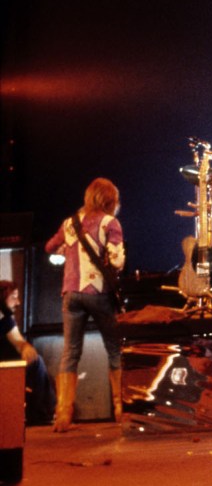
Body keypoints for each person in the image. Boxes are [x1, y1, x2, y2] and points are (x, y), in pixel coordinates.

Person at [45, 178, 125, 432]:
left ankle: (63, 413)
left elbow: (50, 247)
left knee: (70, 352)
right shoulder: (110, 223)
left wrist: (65, 251)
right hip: (98, 293)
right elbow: (116, 261)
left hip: (71, 293)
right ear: (111, 200)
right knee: (114, 348)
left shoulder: (70, 223)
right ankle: (120, 408)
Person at [0, 280, 55, 425]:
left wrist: (25, 347)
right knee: (37, 363)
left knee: (36, 362)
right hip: (4, 369)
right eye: (14, 297)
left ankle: (41, 411)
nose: (18, 302)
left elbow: (18, 340)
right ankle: (42, 414)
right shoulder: (4, 319)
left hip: (7, 367)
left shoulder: (6, 320)